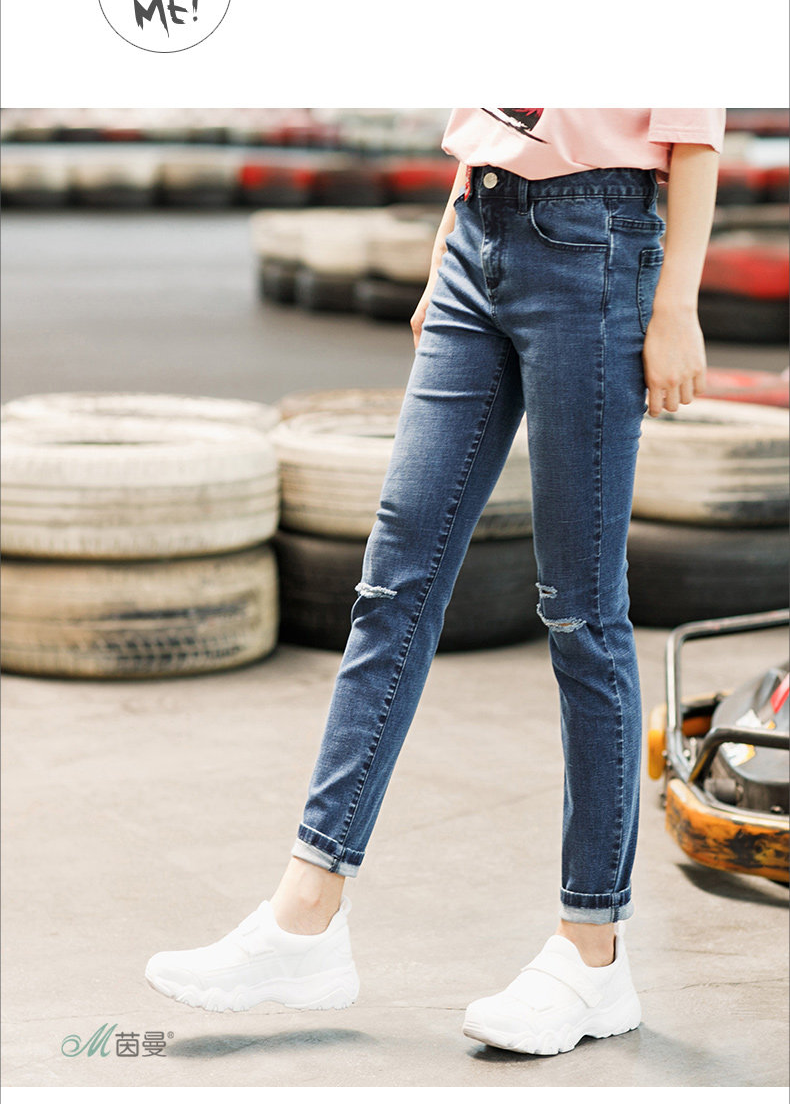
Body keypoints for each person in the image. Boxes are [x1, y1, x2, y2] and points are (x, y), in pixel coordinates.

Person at [145, 107, 725, 1056]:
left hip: (596, 246)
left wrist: (678, 303)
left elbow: (695, 130)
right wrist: (447, 246)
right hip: (474, 232)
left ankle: (593, 950)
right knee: (392, 585)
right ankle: (305, 916)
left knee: (582, 612)